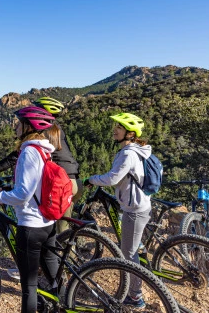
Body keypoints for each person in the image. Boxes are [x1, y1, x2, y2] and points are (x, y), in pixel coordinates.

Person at [0, 106, 60, 313]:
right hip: (48, 224)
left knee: (29, 287)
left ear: (28, 126)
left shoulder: (29, 152)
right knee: (53, 279)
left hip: (31, 226)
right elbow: (36, 186)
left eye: (19, 123)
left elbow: (23, 194)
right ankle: (57, 306)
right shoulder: (44, 150)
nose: (15, 126)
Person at [0, 97, 81, 234]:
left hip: (62, 185)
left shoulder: (41, 134)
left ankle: (63, 254)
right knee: (60, 226)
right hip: (74, 181)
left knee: (57, 233)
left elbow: (14, 158)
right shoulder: (57, 129)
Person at [83, 112, 152, 308]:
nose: (115, 130)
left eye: (119, 128)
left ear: (130, 133)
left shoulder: (128, 153)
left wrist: (91, 179)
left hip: (135, 209)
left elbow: (112, 178)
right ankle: (142, 274)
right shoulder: (136, 150)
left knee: (128, 253)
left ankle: (135, 297)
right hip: (140, 204)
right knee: (133, 247)